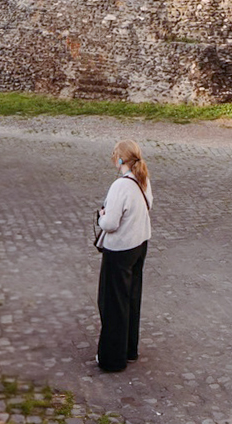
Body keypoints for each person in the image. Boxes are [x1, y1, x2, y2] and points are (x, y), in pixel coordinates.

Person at [95, 139, 152, 373]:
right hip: (140, 243)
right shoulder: (143, 180)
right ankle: (130, 349)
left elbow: (110, 223)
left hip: (120, 250)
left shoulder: (120, 186)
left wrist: (101, 215)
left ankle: (112, 358)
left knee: (113, 302)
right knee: (131, 297)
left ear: (119, 159)